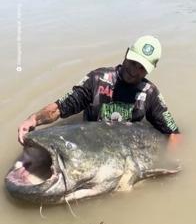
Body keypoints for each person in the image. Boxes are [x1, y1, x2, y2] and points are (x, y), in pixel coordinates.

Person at [18, 35, 181, 148]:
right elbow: (60, 108)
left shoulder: (150, 94)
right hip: (90, 142)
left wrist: (171, 161)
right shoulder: (97, 80)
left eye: (142, 68)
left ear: (150, 70)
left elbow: (174, 134)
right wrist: (32, 120)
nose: (134, 71)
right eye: (133, 62)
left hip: (126, 148)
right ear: (126, 54)